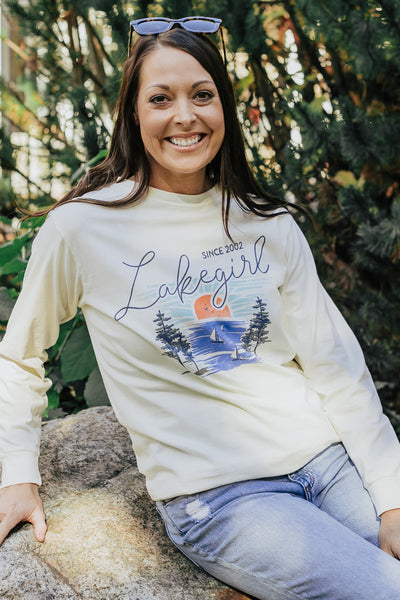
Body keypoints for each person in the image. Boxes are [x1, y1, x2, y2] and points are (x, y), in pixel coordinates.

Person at [1, 16, 400, 599]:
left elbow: (335, 366)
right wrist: (16, 476)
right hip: (225, 500)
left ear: (224, 109)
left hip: (332, 462)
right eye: (160, 99)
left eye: (202, 95)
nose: (184, 116)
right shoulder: (83, 228)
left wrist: (391, 496)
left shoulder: (266, 222)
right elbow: (18, 359)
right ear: (133, 115)